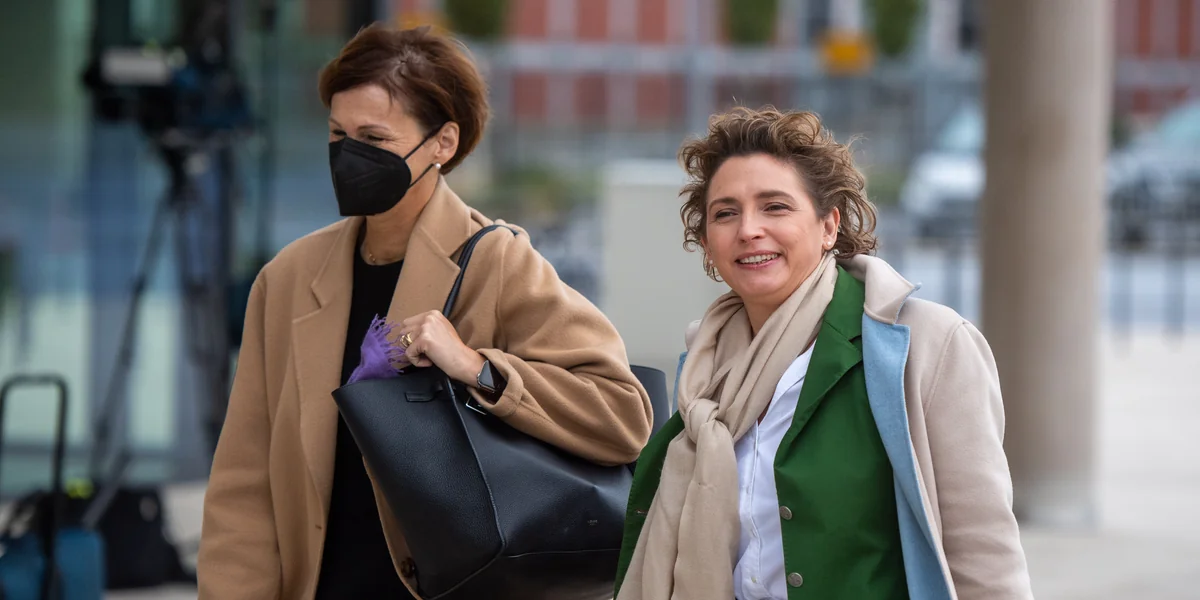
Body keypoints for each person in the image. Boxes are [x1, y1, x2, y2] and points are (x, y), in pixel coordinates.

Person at [197, 24, 653, 600]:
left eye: (374, 138)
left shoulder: (498, 262)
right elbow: (245, 479)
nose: (349, 154)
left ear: (443, 143)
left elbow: (622, 415)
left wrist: (478, 368)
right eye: (338, 133)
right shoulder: (287, 279)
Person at [614, 107, 1033, 600]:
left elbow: (984, 553)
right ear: (707, 243)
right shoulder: (703, 370)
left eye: (775, 207)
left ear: (829, 226)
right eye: (725, 213)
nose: (748, 229)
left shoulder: (927, 345)